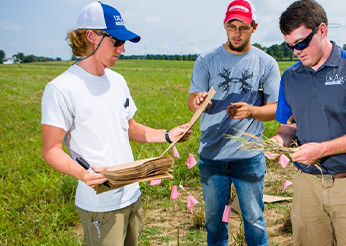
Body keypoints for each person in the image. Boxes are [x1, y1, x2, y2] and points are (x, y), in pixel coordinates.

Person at [41, 2, 191, 246]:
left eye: (124, 43)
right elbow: (50, 149)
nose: (123, 49)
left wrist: (167, 135)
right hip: (100, 203)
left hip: (132, 195)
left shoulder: (117, 81)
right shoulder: (61, 88)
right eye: (117, 42)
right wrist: (82, 174)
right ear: (91, 36)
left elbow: (130, 127)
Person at [269, 0, 346, 245]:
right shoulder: (291, 78)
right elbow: (288, 128)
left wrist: (321, 150)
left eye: (302, 43)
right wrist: (276, 142)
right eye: (291, 46)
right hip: (306, 186)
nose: (297, 51)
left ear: (322, 30)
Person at [187, 0, 280, 245]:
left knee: (253, 219)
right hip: (212, 156)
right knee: (215, 221)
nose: (236, 33)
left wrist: (251, 111)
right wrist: (198, 101)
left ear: (254, 27)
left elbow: (276, 109)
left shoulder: (266, 63)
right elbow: (192, 100)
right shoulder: (206, 60)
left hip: (248, 157)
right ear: (224, 25)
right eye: (232, 26)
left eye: (243, 27)